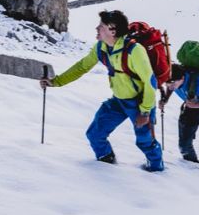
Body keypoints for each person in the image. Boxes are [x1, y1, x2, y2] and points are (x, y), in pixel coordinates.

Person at [41, 10, 164, 170]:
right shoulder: (101, 48)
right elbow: (82, 67)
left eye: (101, 26)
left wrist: (145, 112)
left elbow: (150, 81)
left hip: (140, 104)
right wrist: (55, 82)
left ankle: (156, 170)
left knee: (145, 141)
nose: (97, 28)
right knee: (95, 134)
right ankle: (106, 164)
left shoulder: (135, 50)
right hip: (118, 101)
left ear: (112, 30)